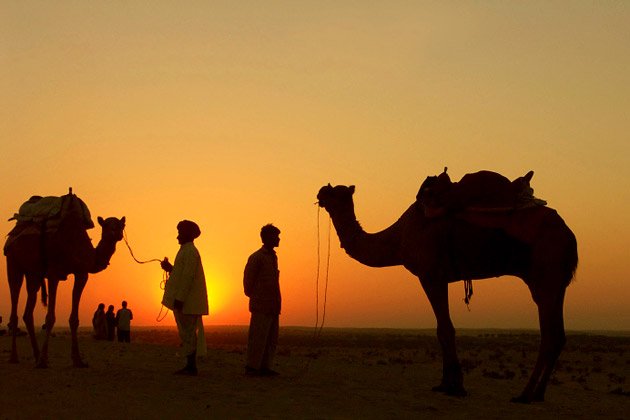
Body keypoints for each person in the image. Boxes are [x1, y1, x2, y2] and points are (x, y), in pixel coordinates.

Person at [161, 220, 209, 376]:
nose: (177, 236)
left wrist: (180, 299)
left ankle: (191, 366)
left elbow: (188, 277)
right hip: (185, 301)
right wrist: (170, 269)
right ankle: (190, 365)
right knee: (186, 333)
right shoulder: (186, 251)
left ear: (187, 234)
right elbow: (182, 273)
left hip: (186, 302)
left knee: (188, 333)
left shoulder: (190, 251)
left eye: (180, 233)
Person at [243, 224, 282, 377]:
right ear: (267, 238)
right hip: (261, 304)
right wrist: (258, 296)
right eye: (276, 236)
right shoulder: (256, 257)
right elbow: (248, 283)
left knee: (270, 339)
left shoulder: (273, 257)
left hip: (273, 304)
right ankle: (252, 367)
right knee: (258, 337)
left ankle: (265, 367)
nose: (278, 239)